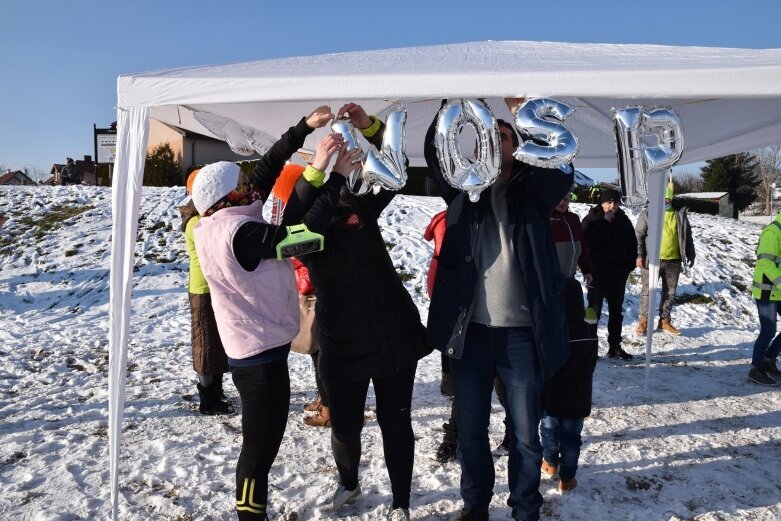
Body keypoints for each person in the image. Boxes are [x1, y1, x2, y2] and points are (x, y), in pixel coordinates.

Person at [424, 98, 573, 521]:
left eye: (504, 136)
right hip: (470, 333)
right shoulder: (463, 188)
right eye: (489, 135)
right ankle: (476, 506)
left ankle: (525, 507)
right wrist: (451, 103)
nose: (495, 141)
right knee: (471, 432)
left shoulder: (533, 190)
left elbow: (562, 170)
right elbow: (436, 153)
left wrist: (526, 112)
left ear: (516, 145)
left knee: (526, 436)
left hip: (521, 334)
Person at [191, 106, 334, 520]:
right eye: (241, 187)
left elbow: (266, 171)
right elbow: (307, 237)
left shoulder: (221, 222)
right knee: (259, 447)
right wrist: (334, 174)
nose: (250, 190)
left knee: (264, 441)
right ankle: (249, 515)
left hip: (260, 348)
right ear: (227, 198)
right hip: (258, 358)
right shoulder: (243, 235)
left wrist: (304, 129)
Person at [295, 103, 429, 521]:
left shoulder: (358, 207)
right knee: (346, 427)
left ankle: (402, 502)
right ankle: (349, 482)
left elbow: (396, 171)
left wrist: (368, 127)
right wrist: (324, 175)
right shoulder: (302, 227)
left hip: (392, 335)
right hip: (341, 342)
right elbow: (303, 224)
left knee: (395, 422)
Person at [270, 163, 331, 428]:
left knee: (322, 353)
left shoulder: (311, 217)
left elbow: (307, 254)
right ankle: (324, 397)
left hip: (316, 294)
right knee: (315, 352)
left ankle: (330, 406)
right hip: (309, 292)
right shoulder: (306, 213)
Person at [180, 168, 232, 415]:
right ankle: (208, 399)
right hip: (203, 290)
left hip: (215, 286)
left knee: (217, 343)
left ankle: (216, 392)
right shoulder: (195, 222)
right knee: (205, 344)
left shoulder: (204, 217)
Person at [539, 278, 598, 493]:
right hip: (578, 398)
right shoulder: (589, 334)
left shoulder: (552, 333)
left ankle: (550, 463)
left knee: (549, 433)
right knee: (572, 440)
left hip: (552, 397)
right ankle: (568, 478)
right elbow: (592, 363)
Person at [581, 188, 637, 361]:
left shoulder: (624, 220)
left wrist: (627, 266)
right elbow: (587, 243)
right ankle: (590, 347)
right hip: (597, 273)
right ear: (602, 203)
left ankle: (615, 346)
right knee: (593, 310)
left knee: (616, 312)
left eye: (616, 202)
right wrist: (605, 222)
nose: (612, 206)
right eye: (609, 202)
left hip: (617, 274)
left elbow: (632, 245)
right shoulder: (591, 219)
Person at [635, 184, 695, 336]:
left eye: (668, 199)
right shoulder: (648, 214)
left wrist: (690, 253)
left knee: (670, 293)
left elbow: (687, 235)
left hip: (674, 261)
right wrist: (639, 255)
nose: (665, 202)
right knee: (647, 292)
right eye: (663, 199)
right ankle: (643, 321)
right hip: (652, 261)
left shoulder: (679, 214)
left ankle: (664, 321)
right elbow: (639, 236)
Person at [748, 212, 781, 386]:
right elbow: (765, 264)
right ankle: (755, 369)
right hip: (767, 290)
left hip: (778, 291)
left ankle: (768, 360)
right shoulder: (773, 231)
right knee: (768, 330)